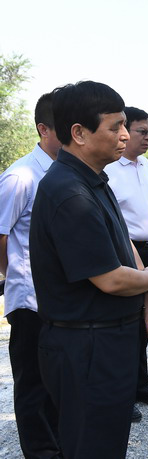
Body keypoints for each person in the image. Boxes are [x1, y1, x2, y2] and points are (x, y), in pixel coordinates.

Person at [29, 81, 148, 459]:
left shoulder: (94, 179)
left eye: (125, 126)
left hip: (105, 341)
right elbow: (110, 278)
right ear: (79, 133)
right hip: (86, 347)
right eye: (115, 127)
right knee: (92, 446)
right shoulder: (69, 192)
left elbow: (125, 241)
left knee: (106, 441)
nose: (125, 136)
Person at [0, 92, 61, 458]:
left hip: (58, 300)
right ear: (43, 129)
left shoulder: (65, 172)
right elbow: (0, 234)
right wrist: (14, 275)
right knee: (34, 386)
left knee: (57, 382)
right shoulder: (21, 176)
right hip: (29, 301)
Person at [106, 106, 148, 422]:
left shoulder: (145, 165)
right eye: (141, 131)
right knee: (123, 323)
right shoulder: (111, 169)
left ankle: (140, 386)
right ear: (125, 131)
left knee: (144, 320)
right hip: (123, 253)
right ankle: (121, 395)